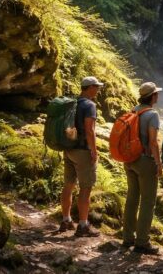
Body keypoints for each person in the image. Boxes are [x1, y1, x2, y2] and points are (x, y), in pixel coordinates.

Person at [122, 82, 163, 254]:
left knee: (132, 198)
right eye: (156, 93)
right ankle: (142, 242)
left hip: (129, 159)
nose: (158, 96)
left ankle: (127, 238)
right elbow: (153, 142)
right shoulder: (152, 114)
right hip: (145, 161)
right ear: (153, 96)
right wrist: (159, 163)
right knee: (148, 201)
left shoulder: (133, 110)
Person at [59, 76, 103, 237]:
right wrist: (94, 150)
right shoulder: (89, 105)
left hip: (69, 148)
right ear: (89, 87)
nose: (98, 89)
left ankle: (66, 220)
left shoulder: (73, 102)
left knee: (69, 184)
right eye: (96, 86)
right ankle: (83, 225)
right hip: (83, 150)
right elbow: (89, 130)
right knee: (86, 188)